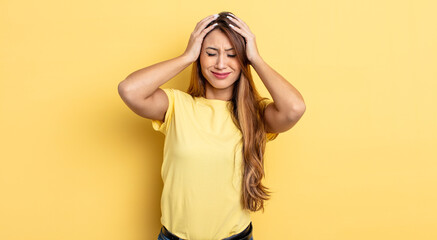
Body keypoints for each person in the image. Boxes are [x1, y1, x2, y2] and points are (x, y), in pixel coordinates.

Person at [118, 11, 306, 240]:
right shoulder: (177, 105)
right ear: (200, 56)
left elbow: (295, 108)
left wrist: (255, 58)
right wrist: (186, 56)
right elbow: (129, 90)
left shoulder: (254, 114)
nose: (220, 63)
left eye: (232, 54)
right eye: (210, 53)